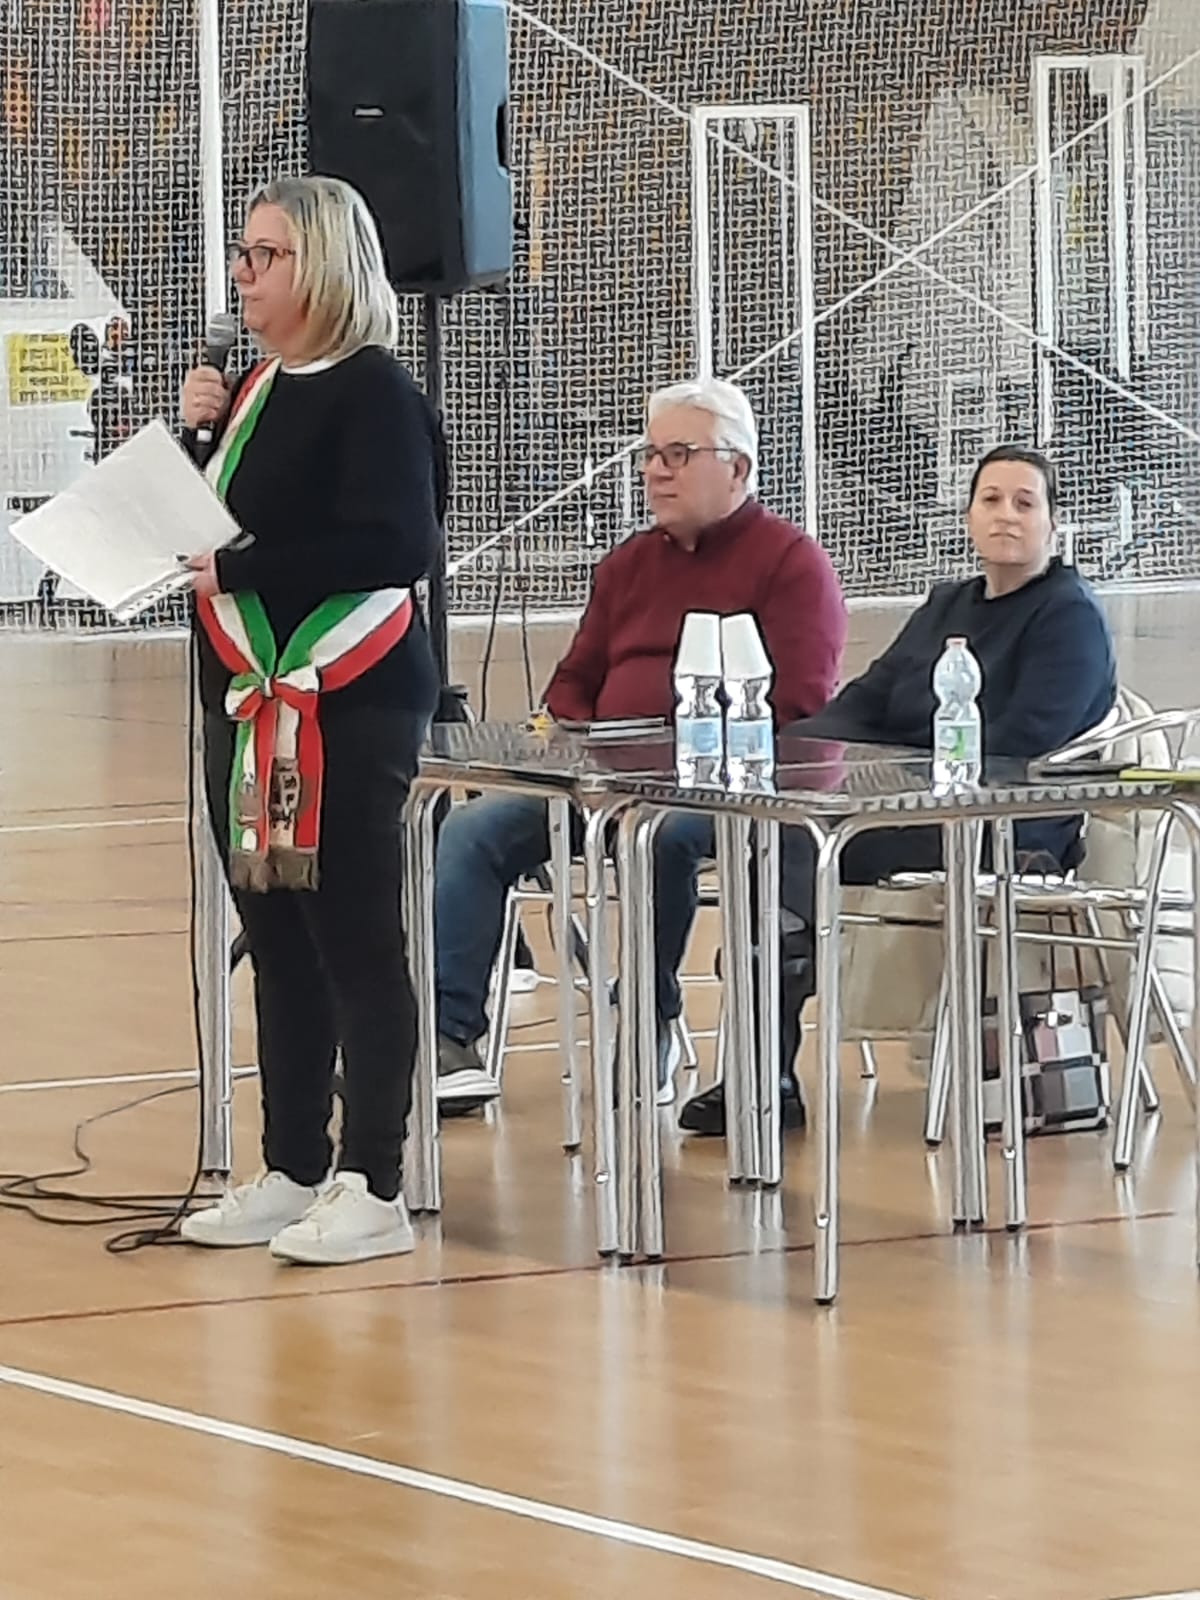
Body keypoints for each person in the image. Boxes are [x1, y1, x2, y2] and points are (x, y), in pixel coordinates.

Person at [679, 444, 1118, 1137]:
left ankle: (768, 1052)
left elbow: (1019, 746)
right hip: (911, 808)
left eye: (1024, 503)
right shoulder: (947, 605)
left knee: (791, 848)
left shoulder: (1068, 615)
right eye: (990, 500)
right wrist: (784, 753)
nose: (1005, 515)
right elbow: (868, 702)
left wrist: (896, 771)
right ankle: (769, 1046)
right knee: (769, 832)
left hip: (1008, 826)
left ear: (1053, 524)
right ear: (968, 516)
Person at [436, 378, 847, 1114]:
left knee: (660, 836)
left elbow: (798, 706)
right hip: (602, 783)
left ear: (738, 467)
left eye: (678, 454)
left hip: (726, 792)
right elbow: (574, 682)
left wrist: (671, 761)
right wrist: (573, 740)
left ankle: (647, 1017)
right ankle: (449, 1037)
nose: (656, 471)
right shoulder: (628, 565)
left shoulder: (791, 563)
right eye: (651, 454)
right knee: (471, 829)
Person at [178, 175, 444, 1264]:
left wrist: (241, 567)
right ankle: (291, 1165)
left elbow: (395, 546)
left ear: (324, 265)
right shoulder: (252, 391)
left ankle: (372, 1182)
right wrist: (193, 441)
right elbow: (214, 525)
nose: (243, 275)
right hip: (247, 695)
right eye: (243, 254)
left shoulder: (376, 392)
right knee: (276, 936)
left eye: (266, 255)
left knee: (353, 939)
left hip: (348, 694)